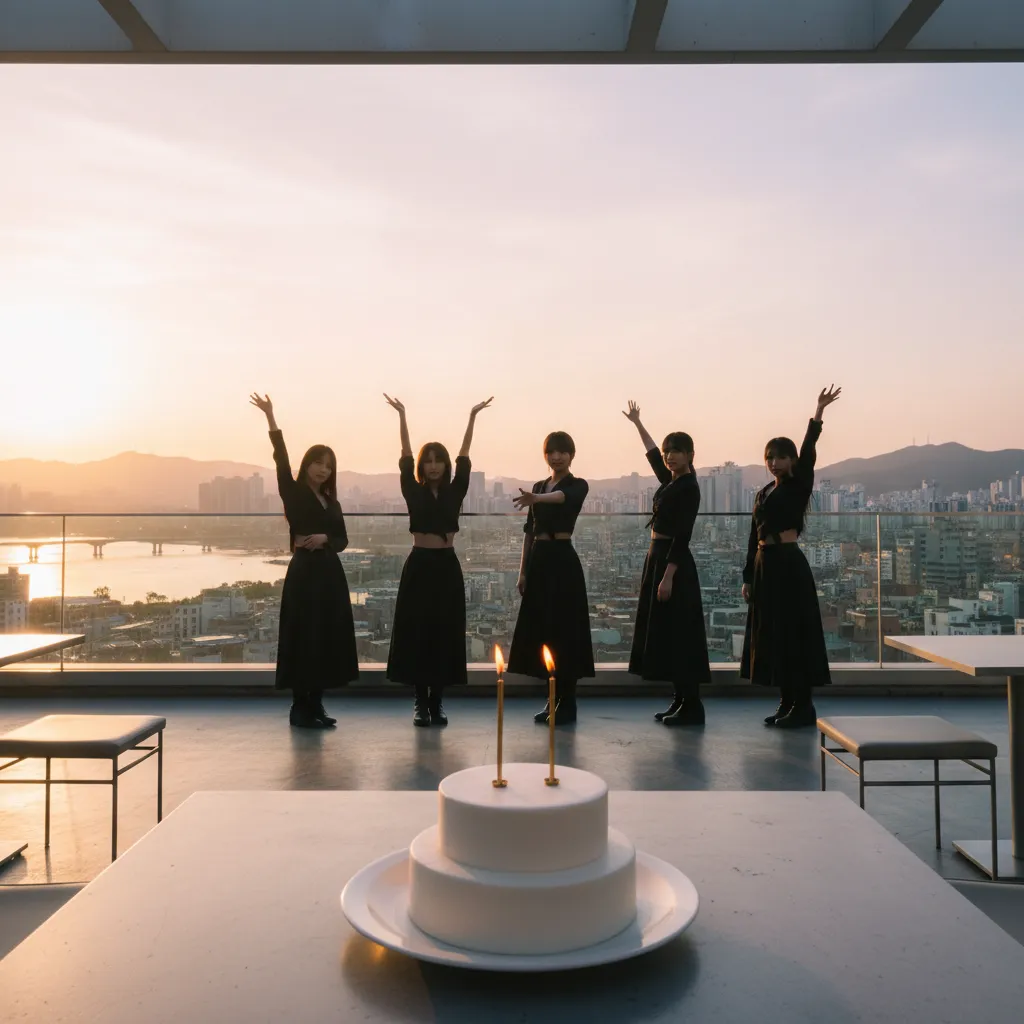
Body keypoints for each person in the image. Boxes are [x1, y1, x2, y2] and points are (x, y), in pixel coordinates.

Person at [250, 393, 359, 728]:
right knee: (303, 635)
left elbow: (342, 539)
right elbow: (280, 459)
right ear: (307, 465)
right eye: (318, 463)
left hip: (328, 572)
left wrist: (327, 538)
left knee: (324, 636)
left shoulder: (332, 502)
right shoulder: (294, 492)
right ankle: (300, 707)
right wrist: (271, 418)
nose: (323, 470)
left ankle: (317, 704)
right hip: (304, 572)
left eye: (328, 465)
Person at [383, 394, 492, 726]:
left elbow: (465, 456)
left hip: (446, 566)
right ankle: (419, 701)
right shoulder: (411, 489)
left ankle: (437, 702)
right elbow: (403, 455)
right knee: (417, 631)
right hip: (419, 565)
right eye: (428, 460)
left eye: (438, 460)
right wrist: (402, 415)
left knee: (444, 632)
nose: (433, 466)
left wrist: (472, 416)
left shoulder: (455, 490)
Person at [741, 385, 841, 728]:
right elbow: (752, 536)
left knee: (794, 634)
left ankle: (803, 705)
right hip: (765, 564)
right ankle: (786, 702)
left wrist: (818, 412)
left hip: (788, 563)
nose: (773, 462)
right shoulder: (764, 491)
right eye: (769, 457)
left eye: (780, 457)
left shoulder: (799, 485)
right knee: (774, 634)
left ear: (792, 460)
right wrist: (747, 576)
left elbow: (810, 450)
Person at [623, 401, 711, 726]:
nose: (670, 456)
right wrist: (638, 423)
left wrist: (668, 576)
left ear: (690, 454)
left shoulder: (689, 487)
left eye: (677, 451)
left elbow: (683, 534)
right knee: (670, 634)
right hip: (657, 558)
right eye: (667, 452)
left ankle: (691, 704)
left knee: (680, 634)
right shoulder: (672, 482)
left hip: (673, 563)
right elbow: (651, 455)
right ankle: (680, 700)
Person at [508, 432, 595, 725]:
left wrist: (535, 498)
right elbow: (529, 534)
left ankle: (566, 703)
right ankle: (552, 698)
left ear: (571, 455)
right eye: (551, 452)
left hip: (563, 560)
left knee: (564, 632)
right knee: (543, 630)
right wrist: (523, 571)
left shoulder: (577, 485)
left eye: (562, 452)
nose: (556, 457)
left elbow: (562, 498)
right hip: (540, 562)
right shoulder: (537, 487)